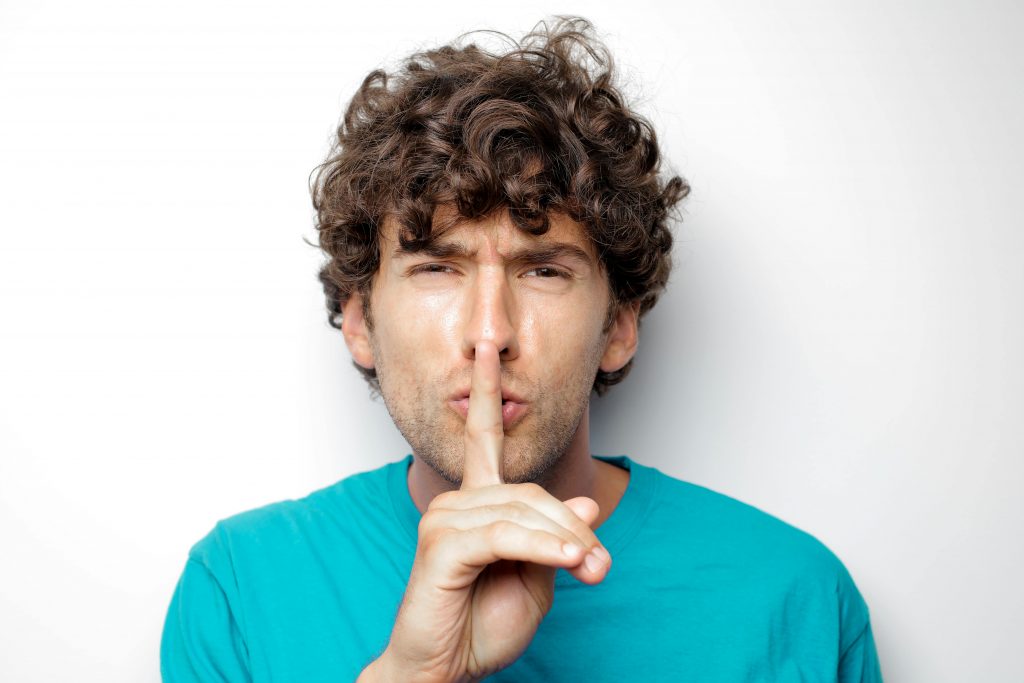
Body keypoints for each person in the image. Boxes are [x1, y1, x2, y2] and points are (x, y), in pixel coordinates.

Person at [160, 16, 883, 682]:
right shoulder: (240, 589)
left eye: (543, 270)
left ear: (620, 324)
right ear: (358, 320)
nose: (489, 332)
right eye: (437, 267)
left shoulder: (794, 597)